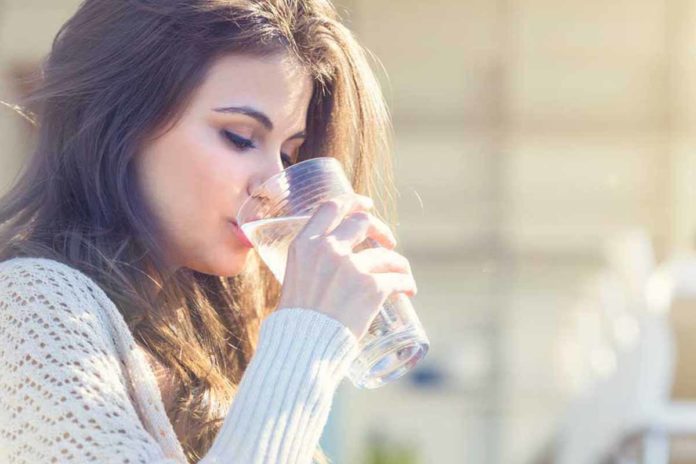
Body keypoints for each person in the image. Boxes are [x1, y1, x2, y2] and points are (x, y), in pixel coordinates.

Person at [0, 0, 418, 463]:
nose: (270, 184)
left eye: (288, 153)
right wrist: (309, 333)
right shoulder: (29, 301)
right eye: (239, 137)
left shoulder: (215, 342)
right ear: (124, 122)